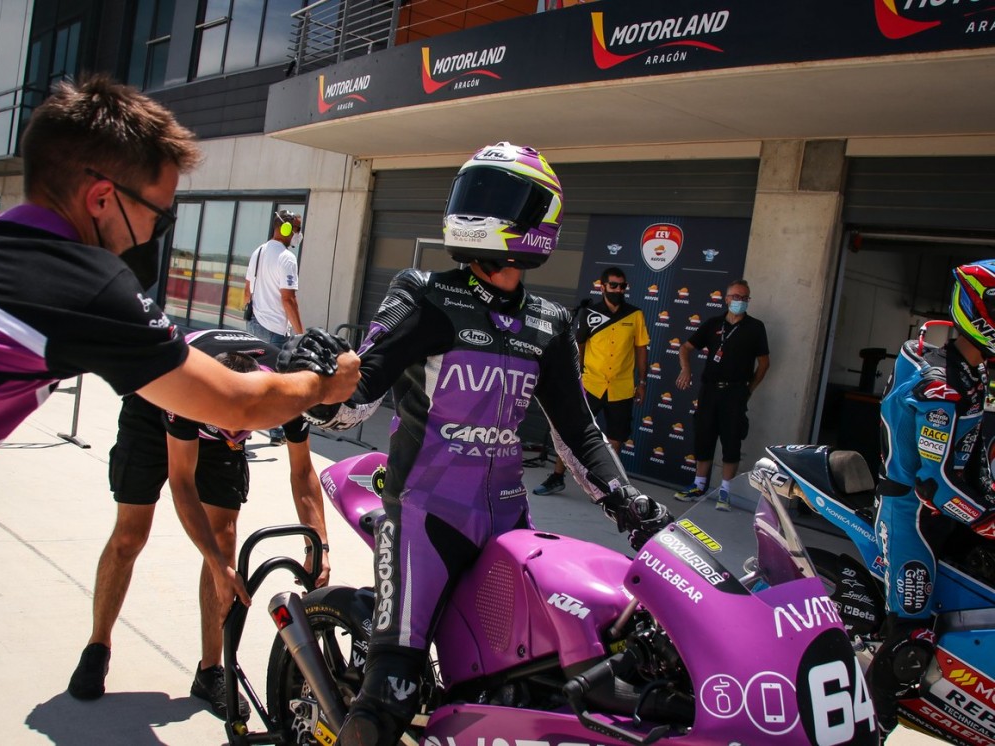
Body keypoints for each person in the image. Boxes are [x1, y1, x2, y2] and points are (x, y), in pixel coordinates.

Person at [295, 142, 671, 746]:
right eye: (470, 194)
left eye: (495, 198)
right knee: (391, 694)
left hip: (507, 523)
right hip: (423, 518)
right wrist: (314, 377)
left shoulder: (548, 323)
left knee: (541, 679)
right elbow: (356, 401)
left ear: (540, 215)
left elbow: (578, 433)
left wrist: (627, 503)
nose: (474, 210)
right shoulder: (424, 293)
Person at [0, 74, 360, 534]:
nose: (158, 233)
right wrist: (322, 383)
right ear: (103, 198)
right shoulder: (86, 286)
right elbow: (235, 403)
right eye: (159, 214)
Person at [68, 329, 332, 718]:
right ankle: (97, 645)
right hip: (152, 409)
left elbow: (302, 473)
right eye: (224, 425)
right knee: (130, 536)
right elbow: (182, 481)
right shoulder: (187, 389)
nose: (234, 438)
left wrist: (319, 546)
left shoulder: (284, 394)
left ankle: (211, 670)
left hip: (215, 412)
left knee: (225, 539)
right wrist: (215, 565)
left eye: (241, 429)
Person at [867, 259, 995, 734]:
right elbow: (934, 482)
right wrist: (987, 521)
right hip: (912, 512)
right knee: (911, 639)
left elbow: (978, 452)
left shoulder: (977, 373)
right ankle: (872, 727)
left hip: (955, 513)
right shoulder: (939, 384)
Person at [534, 266, 649, 495]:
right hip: (591, 384)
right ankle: (557, 477)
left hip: (621, 387)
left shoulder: (635, 315)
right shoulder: (589, 313)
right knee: (571, 431)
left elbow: (641, 349)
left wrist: (643, 381)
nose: (618, 289)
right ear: (602, 286)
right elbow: (579, 348)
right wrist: (572, 378)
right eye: (613, 285)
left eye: (622, 286)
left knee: (616, 437)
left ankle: (612, 487)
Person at [673, 279, 769, 510]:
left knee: (731, 439)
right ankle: (698, 485)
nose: (740, 301)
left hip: (736, 391)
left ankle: (726, 491)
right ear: (726, 299)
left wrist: (749, 389)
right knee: (704, 435)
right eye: (736, 297)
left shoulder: (755, 327)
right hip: (709, 390)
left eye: (745, 297)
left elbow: (764, 363)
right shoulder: (713, 324)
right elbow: (685, 348)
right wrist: (686, 368)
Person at [244, 210, 305, 443]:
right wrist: (300, 332)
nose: (299, 234)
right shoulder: (287, 258)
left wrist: (251, 311)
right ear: (287, 229)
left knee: (254, 377)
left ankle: (244, 426)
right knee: (276, 383)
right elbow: (289, 299)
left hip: (254, 323)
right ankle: (277, 432)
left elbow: (247, 289)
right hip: (275, 329)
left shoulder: (258, 251)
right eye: (297, 229)